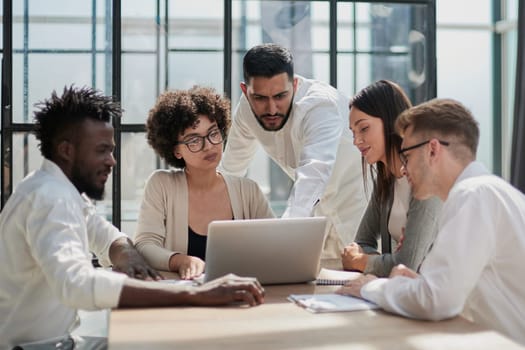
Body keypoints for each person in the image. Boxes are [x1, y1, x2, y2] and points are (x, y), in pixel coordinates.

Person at [0, 86, 265, 349]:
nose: (112, 161)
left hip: (60, 341)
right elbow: (77, 283)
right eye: (102, 150)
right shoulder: (50, 199)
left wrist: (130, 258)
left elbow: (107, 237)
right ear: (67, 150)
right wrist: (193, 293)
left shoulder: (62, 192)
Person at [337, 98, 525, 345]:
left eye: (407, 155)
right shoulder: (486, 192)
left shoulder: (473, 195)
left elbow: (436, 301)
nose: (403, 170)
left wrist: (369, 287)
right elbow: (456, 290)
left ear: (433, 150)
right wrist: (419, 284)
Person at [219, 43, 366, 258]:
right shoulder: (246, 109)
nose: (271, 109)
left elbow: (313, 174)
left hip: (359, 212)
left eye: (280, 96)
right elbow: (231, 170)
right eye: (260, 98)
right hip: (318, 219)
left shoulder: (320, 105)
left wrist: (284, 236)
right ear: (245, 91)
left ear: (295, 85)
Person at [134, 86, 274, 280]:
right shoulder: (161, 185)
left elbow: (275, 246)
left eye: (213, 133)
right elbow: (144, 245)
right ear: (176, 151)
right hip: (184, 300)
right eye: (194, 140)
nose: (208, 145)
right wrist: (180, 260)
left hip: (240, 295)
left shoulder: (248, 191)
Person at [341, 80, 441, 277]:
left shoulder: (425, 176)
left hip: (445, 298)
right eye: (353, 132)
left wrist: (363, 261)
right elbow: (362, 242)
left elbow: (407, 264)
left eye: (364, 128)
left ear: (390, 122)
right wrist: (385, 261)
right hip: (409, 293)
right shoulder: (386, 179)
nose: (356, 141)